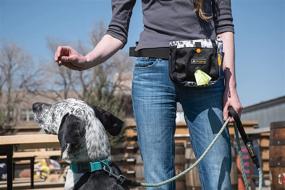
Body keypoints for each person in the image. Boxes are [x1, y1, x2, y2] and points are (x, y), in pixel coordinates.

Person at [54, 0, 242, 189]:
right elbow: (117, 30)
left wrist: (230, 87)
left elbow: (224, 24)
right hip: (152, 75)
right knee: (157, 178)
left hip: (204, 71)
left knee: (218, 172)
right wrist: (86, 60)